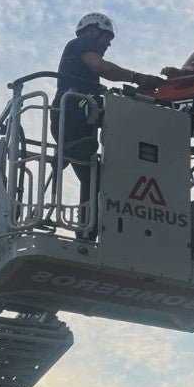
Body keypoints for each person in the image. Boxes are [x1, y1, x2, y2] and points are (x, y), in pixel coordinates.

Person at [51, 13, 163, 235]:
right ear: (92, 30)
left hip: (76, 118)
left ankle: (87, 230)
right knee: (100, 113)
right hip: (72, 114)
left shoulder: (83, 68)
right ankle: (70, 149)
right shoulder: (79, 44)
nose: (109, 43)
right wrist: (136, 77)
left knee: (93, 178)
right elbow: (99, 66)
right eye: (106, 37)